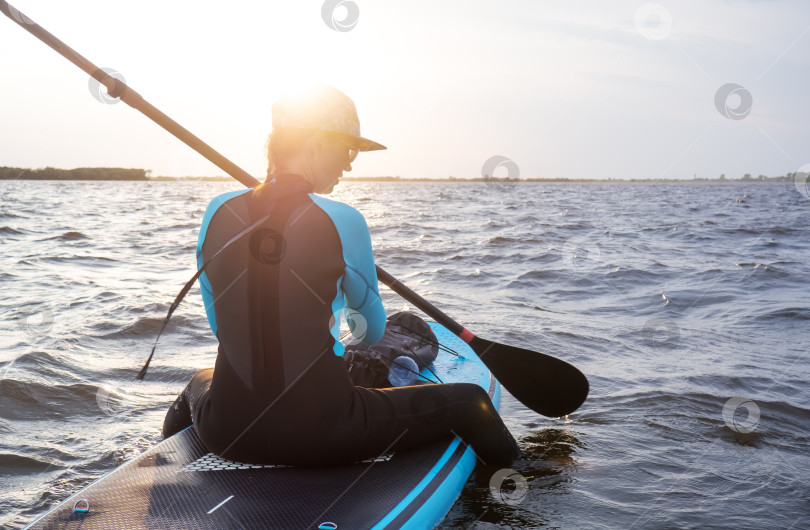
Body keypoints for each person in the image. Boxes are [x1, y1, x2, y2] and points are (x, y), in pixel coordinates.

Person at [162, 83, 520, 466]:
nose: (350, 163)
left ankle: (162, 466)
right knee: (471, 402)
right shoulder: (343, 220)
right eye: (348, 149)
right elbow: (371, 333)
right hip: (324, 430)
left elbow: (223, 329)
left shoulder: (217, 211)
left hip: (227, 432)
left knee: (198, 382)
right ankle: (524, 494)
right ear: (316, 142)